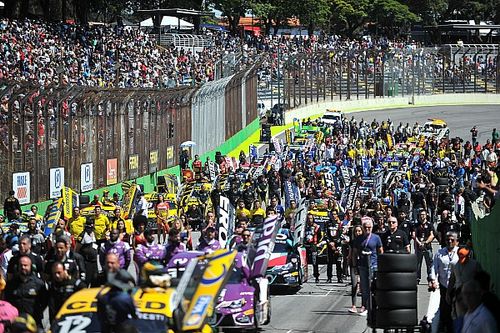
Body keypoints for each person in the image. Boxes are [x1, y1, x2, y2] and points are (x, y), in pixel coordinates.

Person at [429, 231, 460, 333]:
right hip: (444, 285)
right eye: (447, 240)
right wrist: (433, 280)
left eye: (452, 240)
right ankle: (445, 327)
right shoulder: (440, 253)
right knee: (444, 308)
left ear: (457, 242)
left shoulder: (461, 253)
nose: (449, 242)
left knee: (456, 309)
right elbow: (434, 267)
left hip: (457, 286)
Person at [352, 217, 383, 316]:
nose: (367, 229)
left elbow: (380, 251)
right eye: (365, 227)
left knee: (374, 286)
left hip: (374, 265)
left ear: (372, 227)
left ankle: (375, 305)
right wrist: (354, 265)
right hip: (362, 266)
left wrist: (381, 264)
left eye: (369, 227)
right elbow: (354, 253)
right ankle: (364, 306)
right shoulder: (358, 238)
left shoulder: (376, 238)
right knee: (364, 287)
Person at [4, 256, 47, 326]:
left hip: (34, 321)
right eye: (21, 265)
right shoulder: (10, 284)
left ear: (31, 267)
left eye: (25, 265)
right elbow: (7, 301)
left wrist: (38, 311)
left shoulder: (39, 284)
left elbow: (45, 301)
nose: (23, 267)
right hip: (17, 322)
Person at [414, 210, 435, 284]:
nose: (422, 216)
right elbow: (414, 235)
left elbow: (432, 235)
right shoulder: (416, 225)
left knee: (429, 263)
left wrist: (426, 242)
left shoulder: (429, 224)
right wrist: (419, 243)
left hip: (427, 247)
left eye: (423, 214)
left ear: (426, 215)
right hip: (418, 247)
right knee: (417, 264)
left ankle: (430, 278)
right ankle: (417, 278)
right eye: (420, 215)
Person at [348, 225, 363, 314]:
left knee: (363, 286)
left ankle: (363, 306)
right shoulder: (352, 242)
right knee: (354, 285)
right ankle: (353, 305)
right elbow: (350, 254)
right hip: (354, 265)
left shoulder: (365, 241)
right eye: (356, 231)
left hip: (363, 265)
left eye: (359, 231)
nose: (358, 233)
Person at [304, 213, 321, 283]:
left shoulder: (317, 226)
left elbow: (320, 236)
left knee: (315, 261)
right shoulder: (304, 226)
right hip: (305, 245)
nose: (309, 220)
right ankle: (305, 276)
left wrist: (317, 244)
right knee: (305, 262)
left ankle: (316, 276)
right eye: (308, 218)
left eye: (311, 218)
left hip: (313, 245)